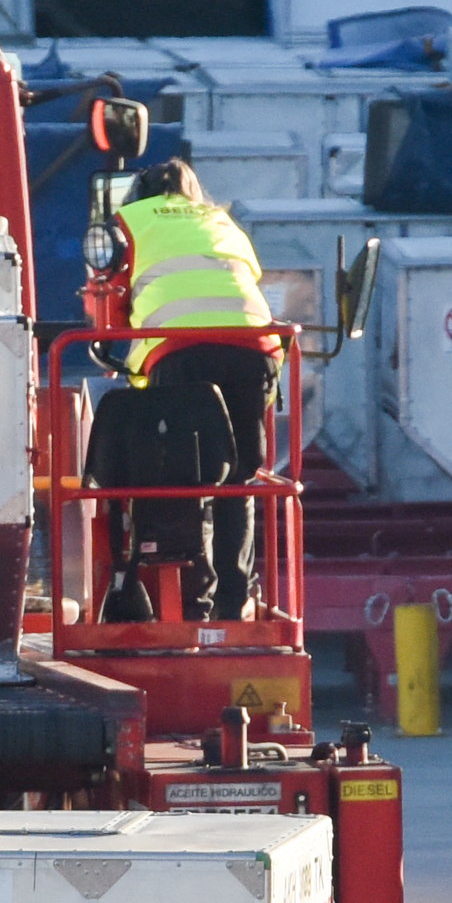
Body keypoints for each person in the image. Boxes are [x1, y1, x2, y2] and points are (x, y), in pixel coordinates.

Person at [114, 156, 276, 621]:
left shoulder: (129, 222)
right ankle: (233, 600)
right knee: (238, 480)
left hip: (182, 352)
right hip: (254, 349)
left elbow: (110, 297)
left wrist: (137, 377)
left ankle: (191, 602)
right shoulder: (222, 221)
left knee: (183, 479)